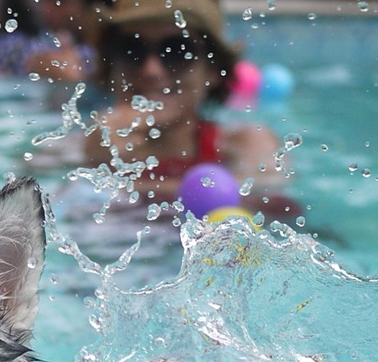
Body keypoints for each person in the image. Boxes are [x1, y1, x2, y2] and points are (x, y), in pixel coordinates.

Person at [83, 0, 295, 219]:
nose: (151, 71)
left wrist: (108, 185)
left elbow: (270, 208)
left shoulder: (244, 146)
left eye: (176, 50)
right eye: (132, 50)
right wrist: (94, 162)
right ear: (110, 68)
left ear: (212, 70)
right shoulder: (83, 148)